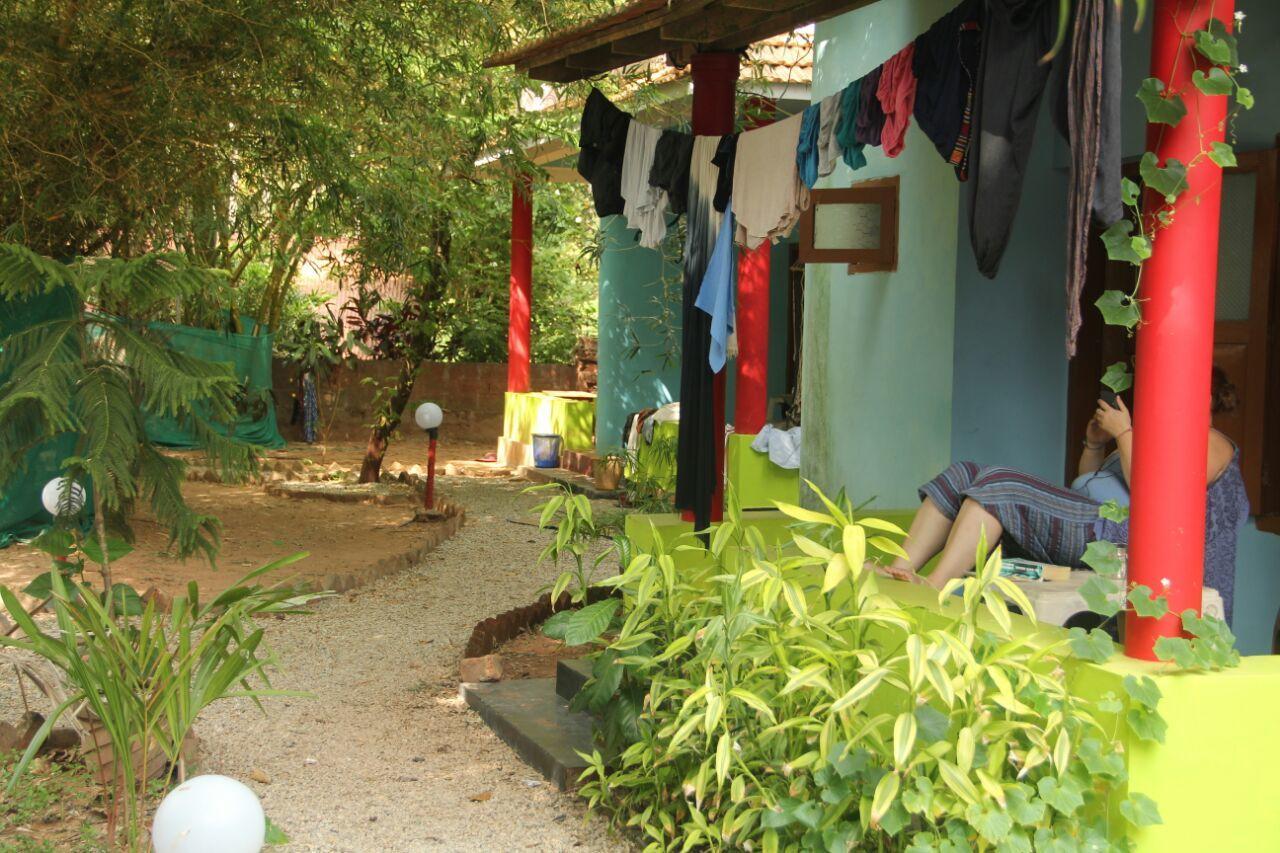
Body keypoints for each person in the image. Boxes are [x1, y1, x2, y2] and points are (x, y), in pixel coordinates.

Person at [879, 369, 1250, 623]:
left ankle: (934, 585)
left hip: (1125, 540)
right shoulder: (1147, 439)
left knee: (1002, 484)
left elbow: (1156, 497)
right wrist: (1095, 442)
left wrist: (1125, 433)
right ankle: (903, 567)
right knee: (964, 473)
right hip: (1095, 523)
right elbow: (1085, 484)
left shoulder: (1209, 440)